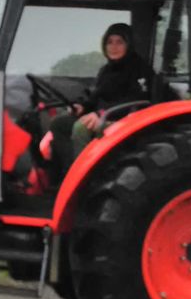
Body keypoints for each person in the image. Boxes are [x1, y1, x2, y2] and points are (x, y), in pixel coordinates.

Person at [47, 23, 154, 181]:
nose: (113, 47)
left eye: (119, 42)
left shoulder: (139, 68)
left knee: (80, 128)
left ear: (129, 44)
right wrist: (82, 106)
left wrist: (101, 113)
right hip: (103, 115)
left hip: (125, 120)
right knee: (59, 123)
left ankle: (84, 181)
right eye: (109, 42)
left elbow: (137, 99)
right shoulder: (106, 70)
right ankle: (66, 174)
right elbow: (96, 95)